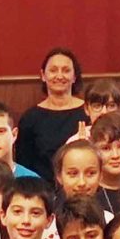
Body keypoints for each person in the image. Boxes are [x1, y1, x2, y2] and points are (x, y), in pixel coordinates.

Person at [16, 47, 89, 178]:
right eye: (53, 70)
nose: (59, 76)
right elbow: (24, 165)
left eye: (66, 71)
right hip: (42, 190)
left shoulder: (88, 113)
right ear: (43, 75)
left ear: (74, 77)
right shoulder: (30, 118)